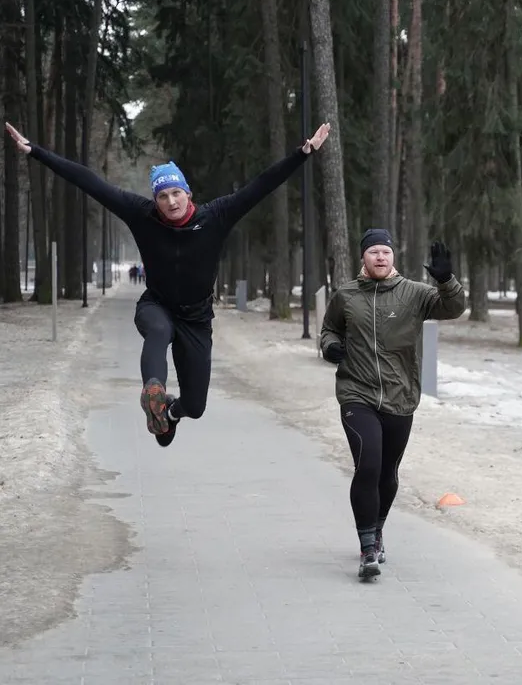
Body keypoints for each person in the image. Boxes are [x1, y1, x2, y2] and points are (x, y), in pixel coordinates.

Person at [5, 120, 331, 448]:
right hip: (156, 306)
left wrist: (303, 153)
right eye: (163, 196)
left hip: (197, 318)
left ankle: (169, 413)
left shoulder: (216, 216)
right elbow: (91, 183)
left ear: (188, 193)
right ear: (155, 199)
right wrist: (37, 153)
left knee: (196, 407)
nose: (171, 202)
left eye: (176, 193)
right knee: (159, 330)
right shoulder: (140, 214)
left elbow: (262, 185)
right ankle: (154, 392)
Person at [319, 229, 466, 579]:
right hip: (357, 393)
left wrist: (446, 280)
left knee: (387, 473)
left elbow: (454, 308)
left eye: (385, 251)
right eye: (373, 252)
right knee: (367, 465)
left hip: (401, 396)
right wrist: (330, 347)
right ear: (363, 258)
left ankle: (378, 527)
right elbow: (329, 330)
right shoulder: (347, 294)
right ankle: (367, 546)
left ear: (393, 257)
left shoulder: (413, 293)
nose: (380, 257)